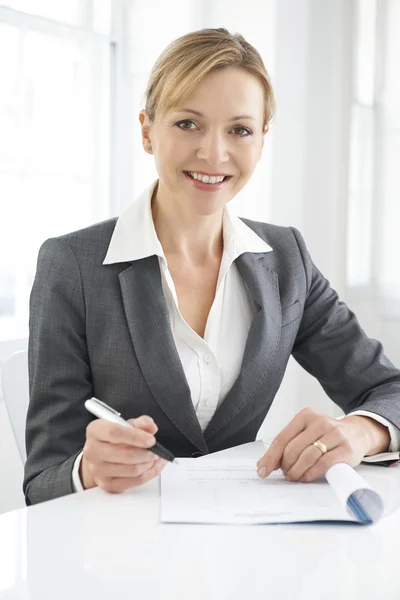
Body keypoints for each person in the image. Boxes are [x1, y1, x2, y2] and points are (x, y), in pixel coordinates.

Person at [24, 28, 400, 505]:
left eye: (239, 130)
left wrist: (361, 431)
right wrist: (88, 469)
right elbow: (42, 480)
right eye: (188, 124)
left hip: (243, 549)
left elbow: (389, 389)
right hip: (118, 558)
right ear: (146, 130)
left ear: (262, 140)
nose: (213, 153)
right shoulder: (72, 265)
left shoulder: (286, 259)